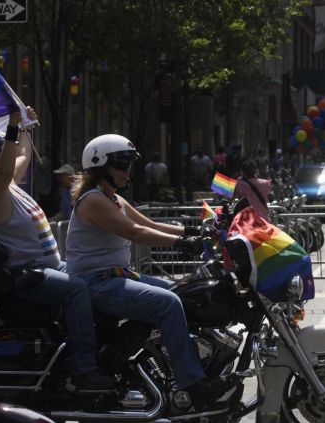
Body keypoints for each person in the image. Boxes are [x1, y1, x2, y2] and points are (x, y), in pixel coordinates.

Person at [0, 108, 114, 391]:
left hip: (50, 268)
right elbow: (7, 167)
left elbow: (22, 156)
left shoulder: (7, 184)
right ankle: (84, 369)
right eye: (5, 151)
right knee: (77, 289)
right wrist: (12, 127)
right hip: (25, 275)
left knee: (95, 277)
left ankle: (105, 350)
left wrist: (25, 127)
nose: (12, 157)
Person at [65, 134, 224, 412]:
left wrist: (197, 231)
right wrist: (181, 244)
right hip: (97, 283)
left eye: (129, 166)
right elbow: (135, 232)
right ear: (101, 166)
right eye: (121, 166)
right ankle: (191, 383)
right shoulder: (93, 200)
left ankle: (172, 360)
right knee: (168, 303)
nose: (127, 172)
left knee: (183, 291)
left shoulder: (111, 197)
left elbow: (148, 223)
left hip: (118, 276)